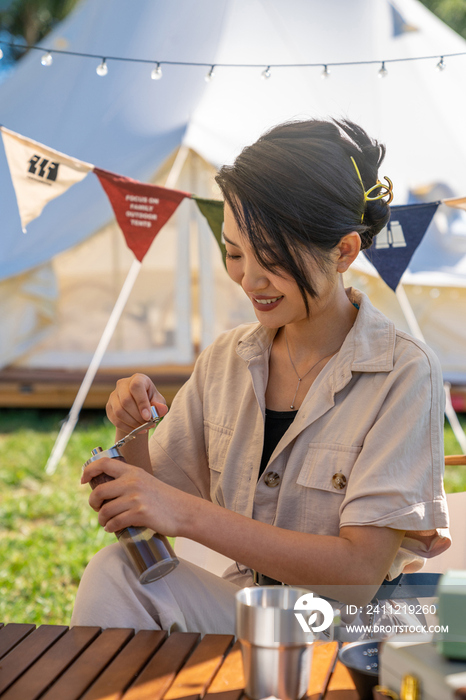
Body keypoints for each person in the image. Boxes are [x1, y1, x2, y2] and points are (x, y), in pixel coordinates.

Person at [71, 119, 450, 637]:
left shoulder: (404, 372)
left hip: (349, 632)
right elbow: (162, 499)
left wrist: (187, 515)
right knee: (116, 573)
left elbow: (359, 575)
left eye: (271, 257)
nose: (248, 278)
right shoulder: (226, 360)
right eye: (233, 253)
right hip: (248, 611)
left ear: (343, 252)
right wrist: (129, 434)